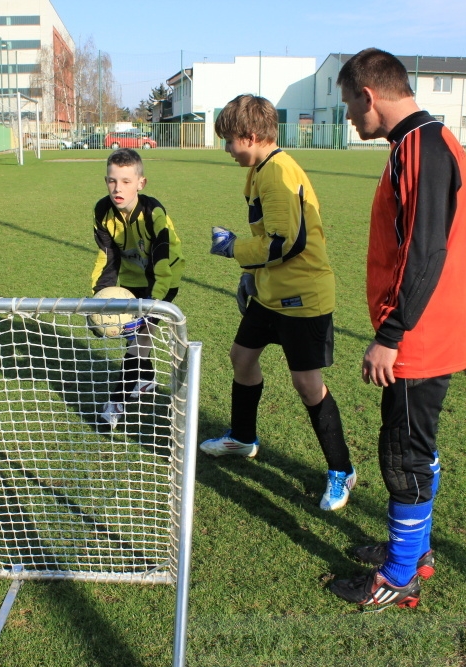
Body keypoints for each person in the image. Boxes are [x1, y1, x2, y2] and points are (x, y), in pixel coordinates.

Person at [328, 48, 466, 609]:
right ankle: (415, 550)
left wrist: (391, 335)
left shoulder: (423, 148)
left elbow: (425, 250)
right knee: (415, 445)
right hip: (425, 330)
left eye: (348, 105)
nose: (348, 117)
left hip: (419, 337)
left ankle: (398, 575)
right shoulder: (414, 144)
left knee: (403, 454)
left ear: (369, 95)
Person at [200, 94, 356, 512]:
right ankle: (244, 438)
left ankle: (342, 469)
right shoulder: (262, 169)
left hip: (303, 298)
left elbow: (288, 242)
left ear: (251, 136)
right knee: (241, 357)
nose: (227, 150)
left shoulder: (277, 174)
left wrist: (235, 250)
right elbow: (273, 236)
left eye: (230, 141)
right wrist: (252, 276)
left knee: (308, 385)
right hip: (271, 294)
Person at [91, 148, 185, 429]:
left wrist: (153, 305)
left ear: (141, 183)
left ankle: (116, 401)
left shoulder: (153, 212)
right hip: (131, 281)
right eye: (111, 180)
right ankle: (145, 381)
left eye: (126, 181)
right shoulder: (102, 211)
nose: (117, 188)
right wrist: (100, 296)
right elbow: (107, 257)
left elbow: (162, 259)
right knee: (133, 339)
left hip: (163, 278)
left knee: (140, 339)